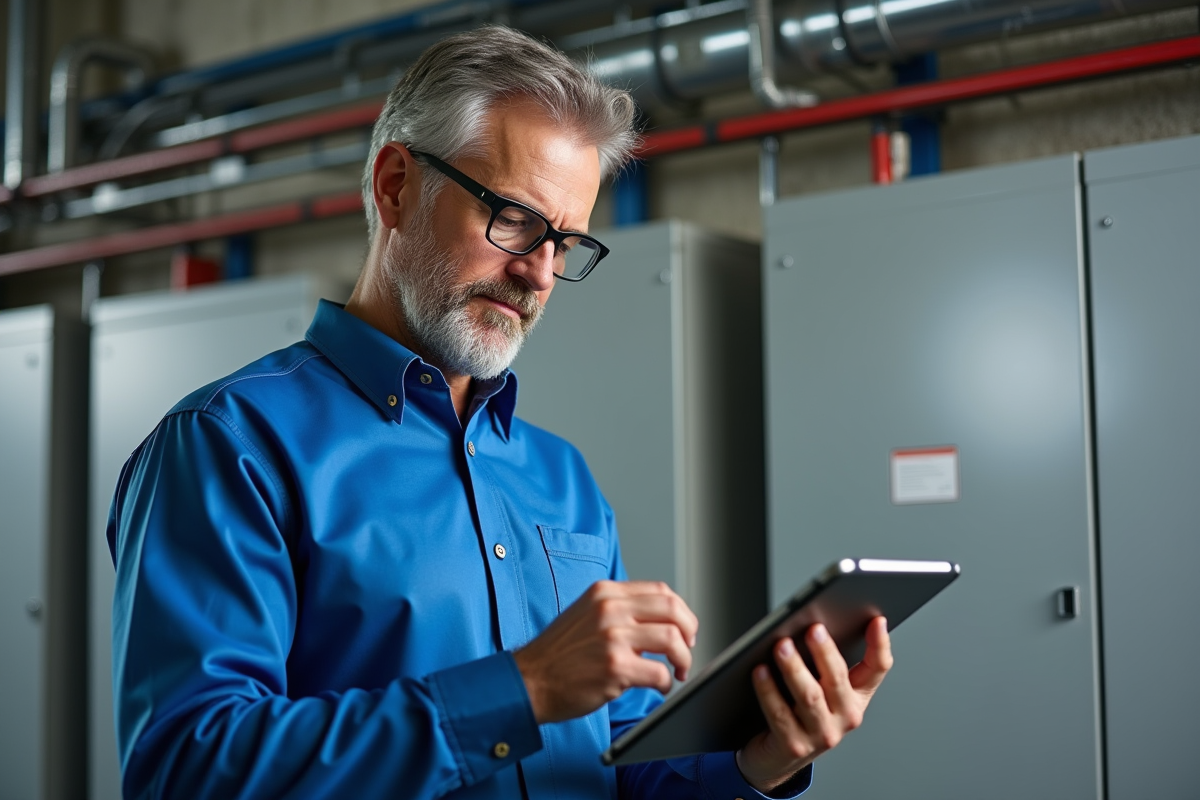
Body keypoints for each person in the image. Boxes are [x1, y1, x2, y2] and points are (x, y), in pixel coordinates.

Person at [107, 25, 893, 800]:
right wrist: (526, 687)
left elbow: (614, 761)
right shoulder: (229, 445)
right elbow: (187, 769)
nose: (539, 274)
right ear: (395, 186)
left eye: (566, 243)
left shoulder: (562, 478)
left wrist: (757, 761)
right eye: (515, 219)